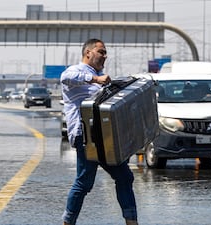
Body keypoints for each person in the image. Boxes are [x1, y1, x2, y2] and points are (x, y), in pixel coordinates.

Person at [60, 38, 138, 225]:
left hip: (104, 136)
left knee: (125, 177)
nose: (105, 56)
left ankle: (132, 221)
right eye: (101, 52)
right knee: (84, 182)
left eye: (105, 52)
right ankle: (67, 222)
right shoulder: (76, 71)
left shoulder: (101, 77)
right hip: (85, 135)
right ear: (88, 53)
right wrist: (95, 79)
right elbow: (65, 78)